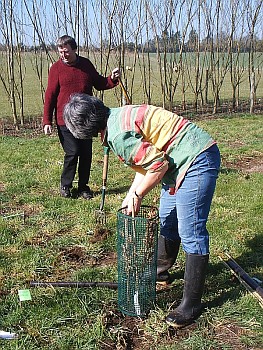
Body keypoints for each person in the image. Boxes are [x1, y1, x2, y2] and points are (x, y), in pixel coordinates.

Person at [63, 93, 221, 328]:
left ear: (84, 129)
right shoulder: (115, 117)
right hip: (178, 160)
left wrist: (139, 195)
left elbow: (158, 165)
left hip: (195, 158)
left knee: (191, 231)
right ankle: (159, 273)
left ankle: (192, 303)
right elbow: (146, 164)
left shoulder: (117, 134)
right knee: (168, 221)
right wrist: (130, 195)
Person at [42, 35, 120, 199]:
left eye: (66, 51)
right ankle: (66, 185)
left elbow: (99, 82)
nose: (63, 55)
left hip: (85, 120)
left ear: (74, 49)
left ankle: (83, 187)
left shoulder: (85, 65)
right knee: (73, 152)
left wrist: (112, 79)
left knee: (86, 154)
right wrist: (47, 120)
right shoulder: (56, 69)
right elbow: (50, 95)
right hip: (65, 120)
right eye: (60, 52)